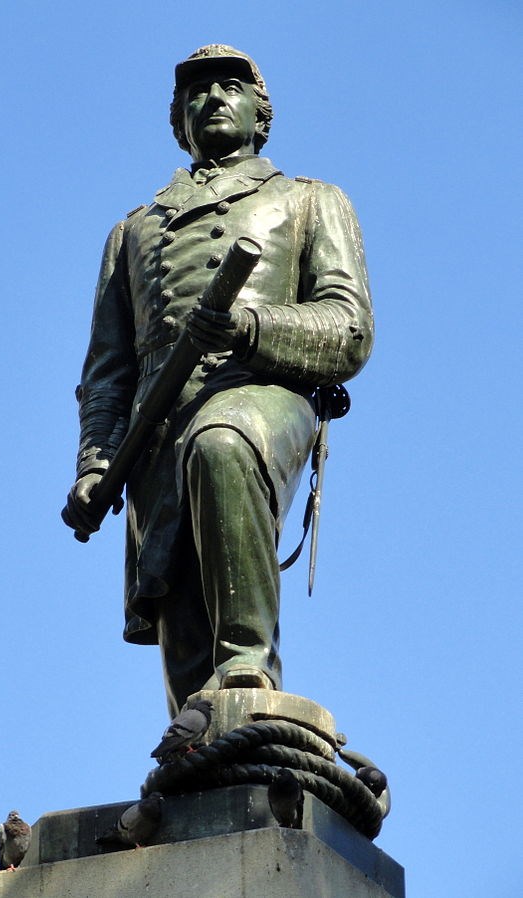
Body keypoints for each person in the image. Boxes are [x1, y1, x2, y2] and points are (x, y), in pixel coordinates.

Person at [62, 44, 373, 716]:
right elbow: (106, 370)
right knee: (179, 621)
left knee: (222, 443)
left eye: (230, 86)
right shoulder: (133, 231)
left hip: (258, 393)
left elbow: (348, 330)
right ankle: (197, 751)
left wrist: (248, 326)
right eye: (194, 93)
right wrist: (93, 465)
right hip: (153, 431)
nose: (211, 98)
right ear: (177, 120)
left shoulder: (308, 201)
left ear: (262, 114)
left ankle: (247, 668)